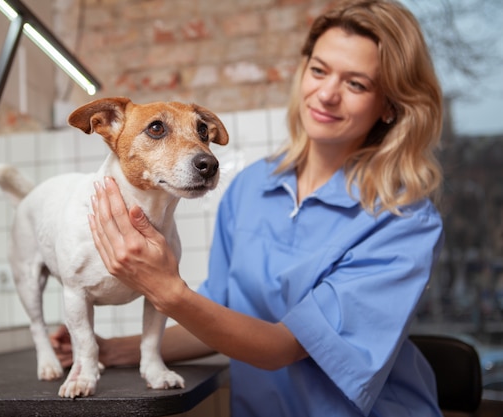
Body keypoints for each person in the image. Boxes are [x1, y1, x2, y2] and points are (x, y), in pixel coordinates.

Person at [52, 0, 445, 415]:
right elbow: (216, 322)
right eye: (319, 70)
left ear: (388, 105)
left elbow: (286, 347)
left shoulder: (404, 221)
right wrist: (111, 350)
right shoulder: (253, 187)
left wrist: (164, 287)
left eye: (356, 84)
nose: (326, 94)